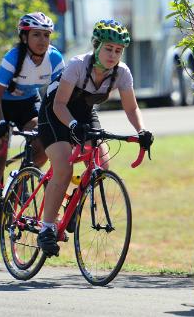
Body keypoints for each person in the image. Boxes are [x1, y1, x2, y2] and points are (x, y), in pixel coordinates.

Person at [37, 19, 154, 257]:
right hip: (55, 113)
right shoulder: (78, 65)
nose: (113, 55)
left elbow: (131, 108)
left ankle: (72, 205)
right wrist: (72, 125)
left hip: (84, 113)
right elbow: (60, 104)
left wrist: (142, 131)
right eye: (108, 48)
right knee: (63, 167)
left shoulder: (122, 73)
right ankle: (47, 228)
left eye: (118, 50)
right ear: (96, 45)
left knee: (102, 164)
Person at [0, 12, 65, 254]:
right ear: (25, 37)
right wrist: (2, 122)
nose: (42, 40)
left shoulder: (55, 58)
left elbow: (58, 95)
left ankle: (20, 177)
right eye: (36, 35)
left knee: (43, 142)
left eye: (46, 35)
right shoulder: (14, 57)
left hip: (28, 104)